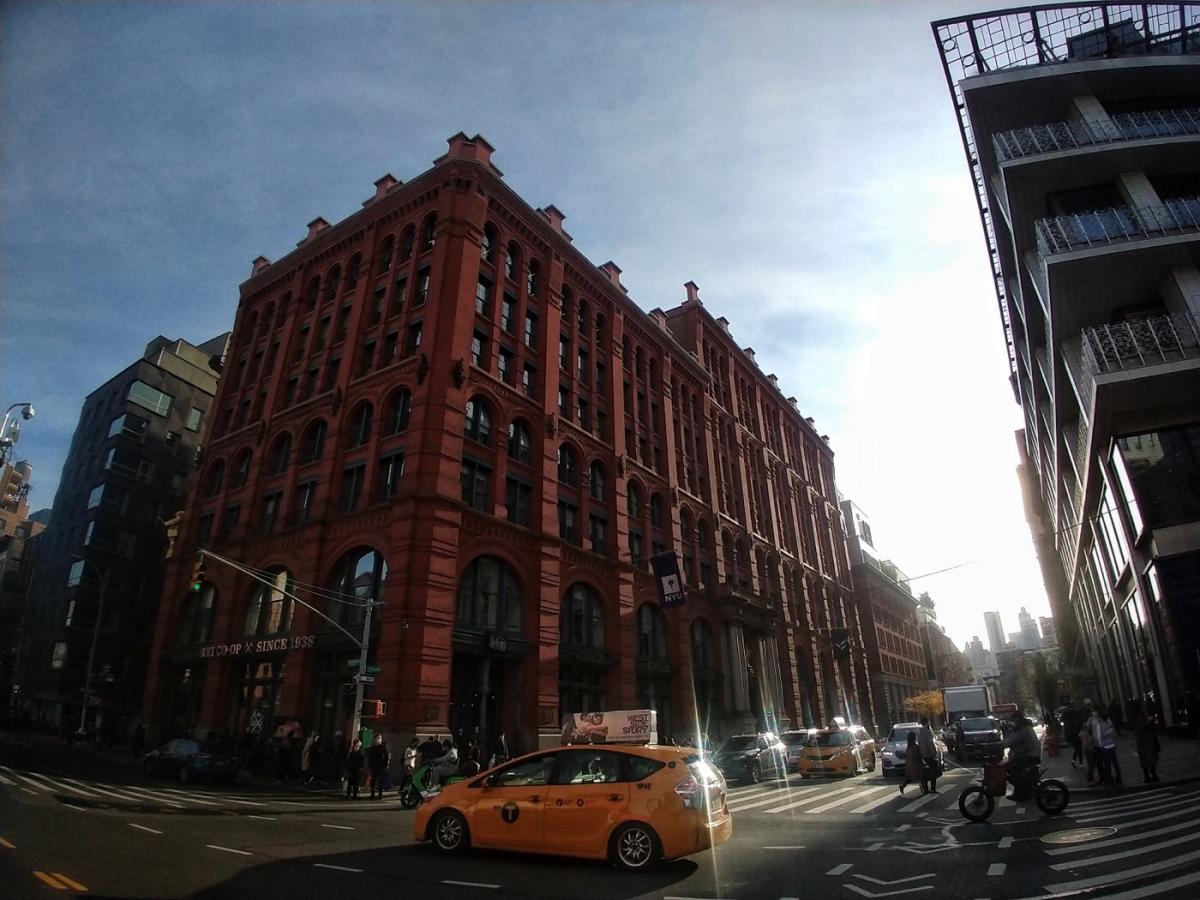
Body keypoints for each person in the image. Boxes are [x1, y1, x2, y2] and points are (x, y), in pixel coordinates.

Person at [1003, 712, 1041, 801]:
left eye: (1014, 719)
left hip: (1030, 754)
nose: (1013, 722)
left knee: (1011, 768)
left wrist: (1000, 745)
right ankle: (1022, 790)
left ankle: (1021, 792)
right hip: (1028, 753)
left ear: (1019, 719)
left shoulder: (1024, 728)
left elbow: (1013, 741)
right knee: (1011, 768)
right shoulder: (1021, 727)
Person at [1093, 704, 1122, 786]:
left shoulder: (1098, 721)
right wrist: (1108, 734)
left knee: (1107, 764)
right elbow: (1112, 728)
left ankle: (1110, 779)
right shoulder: (1107, 718)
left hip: (1104, 745)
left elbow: (1098, 735)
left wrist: (1100, 744)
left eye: (1094, 711)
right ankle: (1119, 778)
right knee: (1115, 762)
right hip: (1111, 743)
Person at [1132, 707, 1161, 783]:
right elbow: (1142, 727)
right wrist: (1149, 721)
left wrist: (1153, 723)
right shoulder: (1139, 721)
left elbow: (1154, 728)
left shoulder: (1143, 720)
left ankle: (1152, 775)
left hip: (1149, 743)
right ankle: (1148, 776)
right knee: (1147, 760)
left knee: (1151, 760)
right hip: (1145, 744)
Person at [917, 719, 939, 793]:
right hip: (929, 755)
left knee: (925, 772)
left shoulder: (920, 733)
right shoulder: (927, 732)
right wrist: (934, 754)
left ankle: (925, 788)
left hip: (923, 755)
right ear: (927, 723)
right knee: (933, 772)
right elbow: (930, 745)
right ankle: (933, 788)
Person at [366, 734, 390, 799]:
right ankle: (372, 794)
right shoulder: (372, 748)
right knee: (373, 781)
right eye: (377, 738)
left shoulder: (384, 748)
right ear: (375, 739)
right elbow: (370, 758)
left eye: (380, 738)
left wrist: (386, 765)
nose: (379, 740)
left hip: (382, 767)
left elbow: (387, 757)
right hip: (374, 767)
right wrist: (370, 766)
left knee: (380, 781)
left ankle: (380, 794)